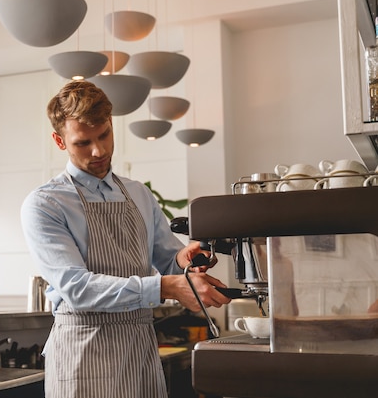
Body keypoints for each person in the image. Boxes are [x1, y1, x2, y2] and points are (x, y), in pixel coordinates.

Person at [20, 80, 231, 398]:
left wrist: (186, 261)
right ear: (59, 141)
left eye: (104, 134)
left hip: (140, 347)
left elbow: (168, 261)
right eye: (82, 142)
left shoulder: (138, 194)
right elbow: (78, 289)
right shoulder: (45, 204)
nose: (99, 151)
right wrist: (165, 287)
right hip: (84, 352)